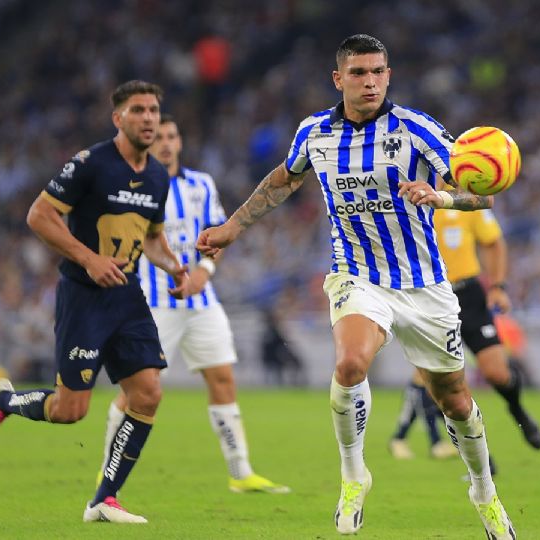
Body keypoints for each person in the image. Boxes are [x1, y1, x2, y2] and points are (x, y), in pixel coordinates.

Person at [197, 34, 515, 538]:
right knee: (349, 364)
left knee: (453, 397)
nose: (370, 82)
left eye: (378, 72)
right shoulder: (315, 133)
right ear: (338, 78)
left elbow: (483, 198)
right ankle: (353, 476)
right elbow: (284, 179)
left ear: (388, 74)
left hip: (425, 285)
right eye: (359, 72)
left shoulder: (417, 130)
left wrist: (442, 197)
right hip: (357, 275)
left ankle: (484, 491)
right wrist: (234, 226)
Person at [0, 80, 190, 523]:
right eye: (138, 110)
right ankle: (5, 402)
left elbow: (152, 238)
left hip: (126, 296)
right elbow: (39, 215)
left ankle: (104, 499)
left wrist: (174, 267)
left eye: (153, 110)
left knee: (147, 393)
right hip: (83, 296)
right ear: (118, 118)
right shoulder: (91, 163)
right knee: (71, 410)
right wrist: (89, 259)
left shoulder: (156, 177)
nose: (148, 118)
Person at [94, 114, 290, 495]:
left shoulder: (201, 184)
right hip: (153, 305)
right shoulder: (133, 187)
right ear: (148, 144)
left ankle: (240, 472)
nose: (166, 143)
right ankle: (108, 472)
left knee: (222, 379)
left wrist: (202, 272)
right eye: (159, 137)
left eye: (172, 135)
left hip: (202, 301)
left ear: (179, 141)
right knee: (137, 391)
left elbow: (219, 236)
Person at [389, 206, 540, 462]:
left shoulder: (463, 198)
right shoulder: (405, 202)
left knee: (497, 372)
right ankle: (479, 454)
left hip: (468, 294)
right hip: (430, 297)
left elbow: (493, 241)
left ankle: (518, 411)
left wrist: (497, 287)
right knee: (446, 381)